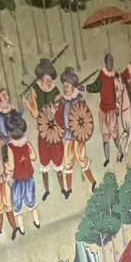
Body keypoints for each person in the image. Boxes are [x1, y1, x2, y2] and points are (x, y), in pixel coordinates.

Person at [24, 58, 65, 201]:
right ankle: (47, 190)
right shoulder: (35, 90)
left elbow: (60, 110)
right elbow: (35, 112)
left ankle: (62, 189)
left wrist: (55, 112)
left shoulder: (56, 91)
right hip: (43, 130)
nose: (48, 81)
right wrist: (27, 104)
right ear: (41, 79)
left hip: (55, 130)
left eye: (50, 79)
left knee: (58, 160)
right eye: (46, 79)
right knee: (44, 160)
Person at [55, 67, 96, 198]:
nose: (65, 88)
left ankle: (93, 181)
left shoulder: (79, 99)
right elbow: (59, 117)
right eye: (64, 86)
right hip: (68, 135)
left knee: (81, 158)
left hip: (78, 135)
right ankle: (69, 189)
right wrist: (53, 114)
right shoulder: (62, 100)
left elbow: (84, 115)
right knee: (68, 161)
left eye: (67, 86)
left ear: (72, 86)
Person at [5, 112, 39, 233]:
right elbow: (34, 157)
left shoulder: (10, 146)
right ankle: (37, 221)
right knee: (31, 200)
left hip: (18, 179)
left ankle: (22, 229)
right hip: (29, 177)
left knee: (17, 203)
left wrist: (4, 165)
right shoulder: (26, 143)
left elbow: (11, 166)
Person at [86, 53, 122, 166]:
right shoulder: (102, 75)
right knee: (105, 134)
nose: (112, 62)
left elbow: (118, 92)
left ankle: (121, 152)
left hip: (112, 109)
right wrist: (86, 87)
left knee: (114, 132)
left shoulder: (115, 76)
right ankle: (107, 158)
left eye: (112, 60)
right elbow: (96, 86)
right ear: (106, 62)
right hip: (103, 109)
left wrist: (117, 106)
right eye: (110, 60)